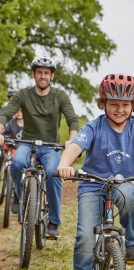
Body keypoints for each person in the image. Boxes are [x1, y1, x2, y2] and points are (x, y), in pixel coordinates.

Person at [57, 73, 134, 269]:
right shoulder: (94, 126)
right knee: (85, 237)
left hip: (122, 181)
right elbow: (75, 146)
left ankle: (131, 241)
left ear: (133, 104)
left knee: (129, 196)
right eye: (114, 104)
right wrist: (64, 165)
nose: (119, 110)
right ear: (103, 103)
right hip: (92, 184)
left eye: (125, 105)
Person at [0, 56, 79, 238]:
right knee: (17, 162)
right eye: (39, 72)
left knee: (54, 173)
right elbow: (6, 113)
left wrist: (72, 139)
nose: (43, 76)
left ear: (52, 76)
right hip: (26, 142)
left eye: (46, 73)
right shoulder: (23, 94)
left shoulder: (60, 95)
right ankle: (19, 196)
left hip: (51, 146)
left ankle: (53, 222)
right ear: (34, 75)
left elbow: (72, 119)